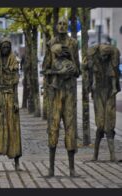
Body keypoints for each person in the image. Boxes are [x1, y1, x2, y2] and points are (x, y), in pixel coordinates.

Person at [42, 17, 80, 177]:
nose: (63, 26)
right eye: (60, 24)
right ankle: (51, 168)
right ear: (56, 26)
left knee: (71, 127)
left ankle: (72, 169)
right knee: (53, 127)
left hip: (70, 91)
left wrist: (70, 61)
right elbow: (45, 70)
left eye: (65, 24)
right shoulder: (50, 44)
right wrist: (58, 72)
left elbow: (78, 71)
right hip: (55, 93)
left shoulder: (73, 43)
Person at [86, 44, 121, 162]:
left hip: (109, 93)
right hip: (98, 93)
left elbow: (114, 78)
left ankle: (112, 155)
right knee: (100, 124)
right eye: (102, 55)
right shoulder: (95, 61)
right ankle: (95, 155)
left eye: (106, 55)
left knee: (109, 124)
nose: (104, 57)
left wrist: (114, 89)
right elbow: (89, 69)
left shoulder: (112, 62)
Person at [0, 37, 22, 171]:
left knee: (14, 129)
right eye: (3, 47)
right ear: (0, 47)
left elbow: (15, 84)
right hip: (0, 97)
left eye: (7, 47)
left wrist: (16, 101)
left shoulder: (13, 60)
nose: (5, 49)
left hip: (11, 97)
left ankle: (17, 162)